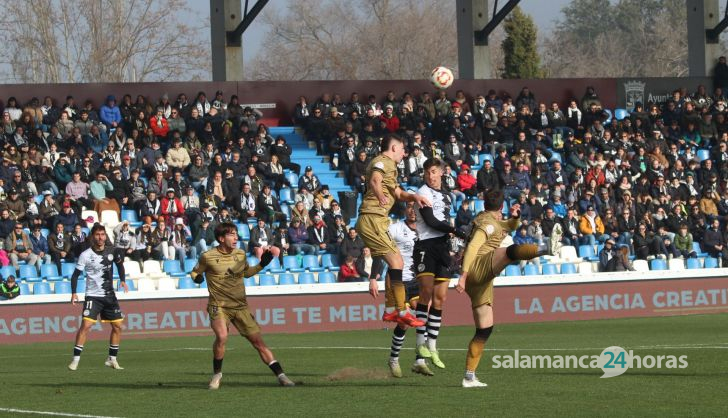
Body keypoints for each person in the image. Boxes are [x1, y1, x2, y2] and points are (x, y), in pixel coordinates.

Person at [454, 190, 549, 388]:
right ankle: (543, 248)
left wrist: (516, 218)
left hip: (480, 282)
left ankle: (469, 377)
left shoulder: (487, 219)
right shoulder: (488, 225)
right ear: (501, 207)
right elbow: (473, 247)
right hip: (477, 268)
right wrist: (462, 276)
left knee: (484, 330)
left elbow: (507, 226)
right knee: (509, 252)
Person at [191, 222, 294, 389]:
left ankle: (282, 376)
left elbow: (246, 273)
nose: (236, 237)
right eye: (232, 234)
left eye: (236, 234)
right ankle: (217, 375)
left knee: (258, 342)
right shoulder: (207, 256)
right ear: (221, 238)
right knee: (222, 337)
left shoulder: (240, 254)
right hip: (219, 305)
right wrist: (196, 278)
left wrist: (262, 264)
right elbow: (195, 271)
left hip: (240, 306)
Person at [355, 133, 431, 327]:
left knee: (396, 260)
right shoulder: (383, 161)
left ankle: (390, 310)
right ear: (395, 148)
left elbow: (398, 193)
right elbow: (374, 180)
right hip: (373, 218)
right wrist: (380, 196)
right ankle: (401, 310)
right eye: (403, 149)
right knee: (397, 261)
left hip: (377, 220)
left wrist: (414, 197)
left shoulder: (392, 168)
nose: (405, 153)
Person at [412, 158, 466, 370]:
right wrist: (456, 230)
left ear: (442, 172)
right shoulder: (422, 192)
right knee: (425, 293)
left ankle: (432, 346)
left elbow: (444, 220)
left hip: (442, 246)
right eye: (427, 173)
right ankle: (419, 345)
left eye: (434, 172)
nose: (430, 176)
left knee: (441, 298)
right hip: (426, 246)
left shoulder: (446, 195)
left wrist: (454, 238)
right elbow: (431, 222)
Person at [68, 223, 128, 371]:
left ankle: (112, 359)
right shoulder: (85, 255)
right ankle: (75, 359)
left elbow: (120, 265)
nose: (100, 238)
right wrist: (74, 292)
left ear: (105, 236)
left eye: (102, 235)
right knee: (86, 326)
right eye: (97, 235)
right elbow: (75, 275)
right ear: (92, 237)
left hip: (109, 295)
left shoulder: (112, 251)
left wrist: (122, 280)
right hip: (93, 296)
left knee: (118, 326)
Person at [386, 202, 432, 377]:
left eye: (416, 208)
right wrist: (374, 277)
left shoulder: (425, 230)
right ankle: (394, 359)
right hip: (400, 281)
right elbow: (381, 252)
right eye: (410, 207)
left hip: (418, 280)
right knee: (404, 323)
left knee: (424, 314)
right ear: (405, 210)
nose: (413, 211)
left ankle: (419, 360)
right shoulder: (395, 229)